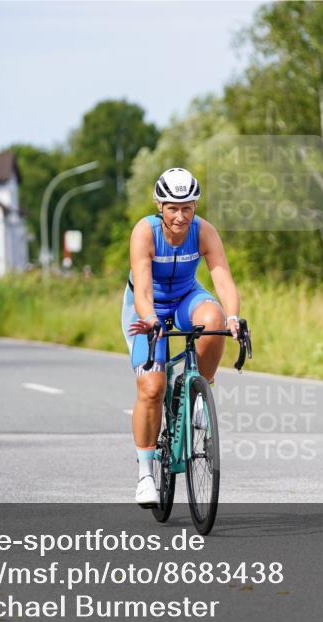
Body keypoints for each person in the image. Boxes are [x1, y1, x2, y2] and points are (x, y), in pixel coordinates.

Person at [123, 168, 241, 506]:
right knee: (152, 387)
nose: (180, 216)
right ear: (159, 204)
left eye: (187, 208)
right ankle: (146, 475)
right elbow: (143, 290)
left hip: (187, 295)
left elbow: (223, 279)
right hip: (148, 305)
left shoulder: (204, 231)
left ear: (195, 206)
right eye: (173, 207)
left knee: (214, 318)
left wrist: (232, 317)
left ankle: (199, 392)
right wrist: (149, 319)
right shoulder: (145, 232)